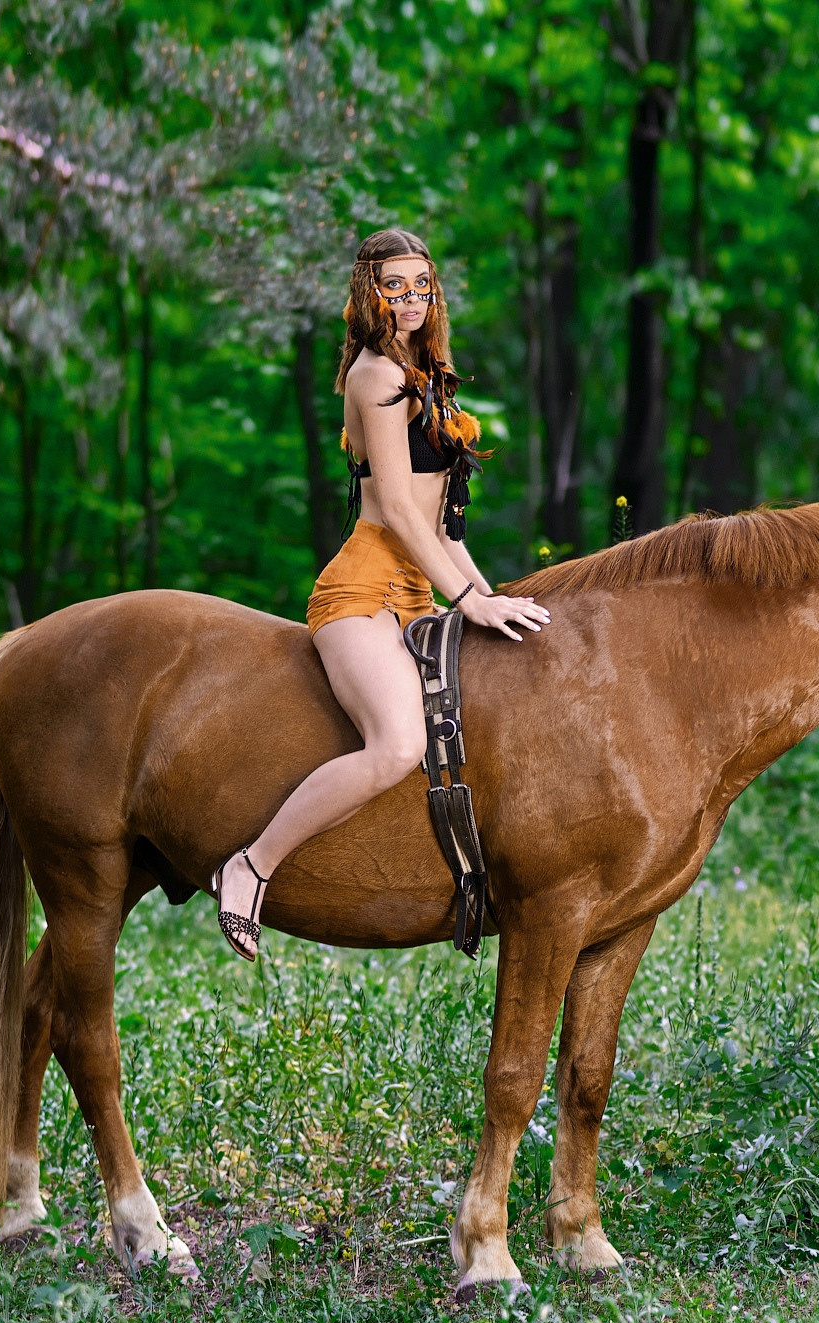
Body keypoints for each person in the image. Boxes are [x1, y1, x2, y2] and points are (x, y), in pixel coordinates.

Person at [210, 228, 551, 960]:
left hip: (419, 594)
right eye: (393, 286)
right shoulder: (376, 375)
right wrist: (469, 601)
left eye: (421, 285)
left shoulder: (427, 374)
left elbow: (443, 532)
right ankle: (250, 867)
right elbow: (397, 508)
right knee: (398, 743)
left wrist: (491, 604)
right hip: (361, 592)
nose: (411, 300)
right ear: (367, 292)